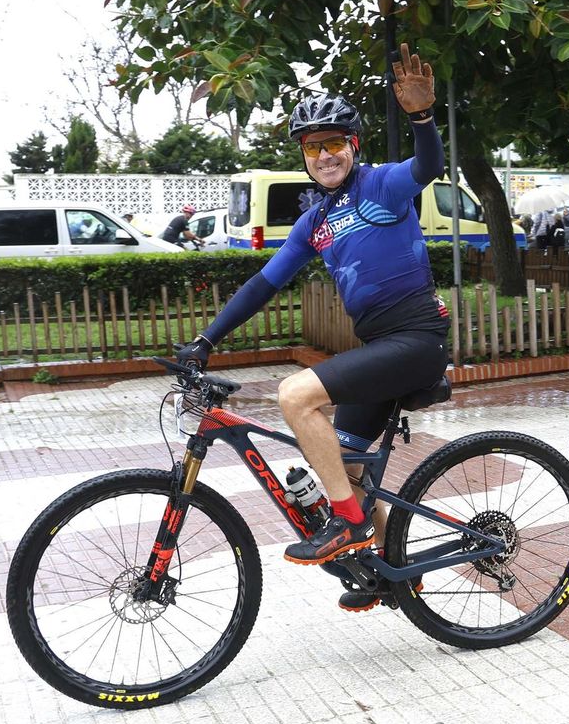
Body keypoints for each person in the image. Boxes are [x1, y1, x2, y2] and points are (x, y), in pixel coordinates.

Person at [174, 45, 448, 611]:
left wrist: (422, 119)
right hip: (380, 347)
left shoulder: (384, 185)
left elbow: (428, 168)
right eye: (313, 147)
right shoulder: (313, 222)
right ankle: (396, 575)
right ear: (304, 156)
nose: (325, 155)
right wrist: (206, 341)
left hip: (416, 339)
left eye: (335, 144)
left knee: (297, 395)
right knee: (347, 467)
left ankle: (348, 527)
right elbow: (263, 286)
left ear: (354, 147)